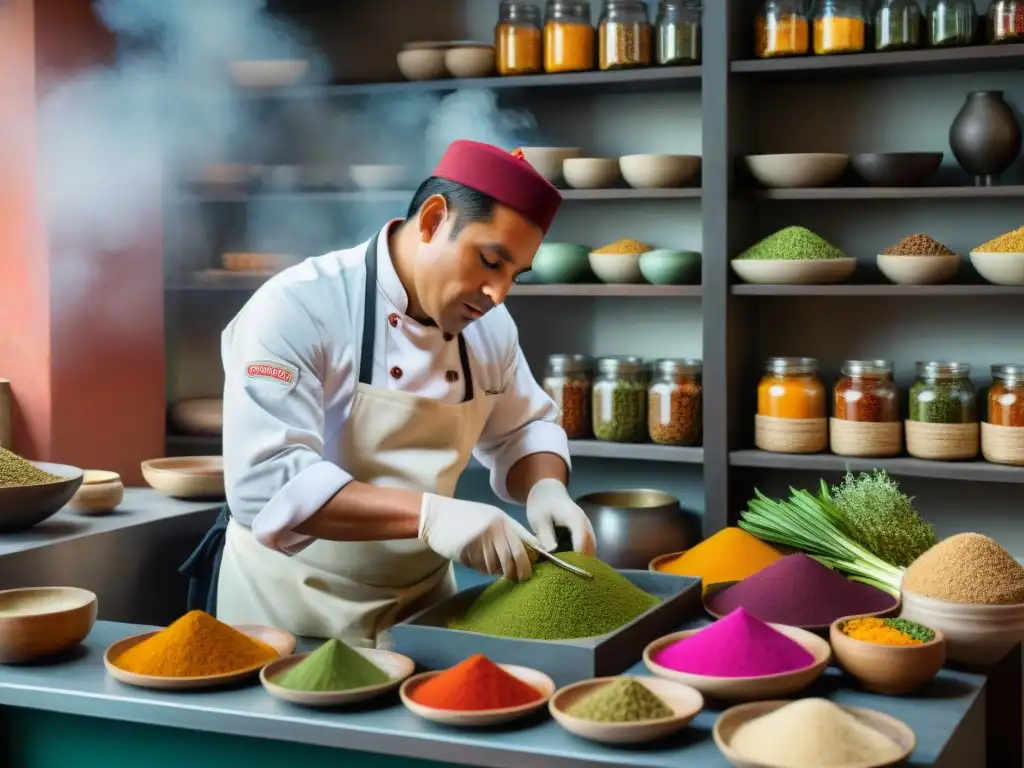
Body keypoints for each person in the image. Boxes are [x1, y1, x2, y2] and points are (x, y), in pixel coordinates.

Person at [180, 139, 597, 648]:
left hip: (421, 613)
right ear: (432, 220)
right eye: (490, 261)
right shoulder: (298, 307)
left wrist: (546, 488)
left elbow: (524, 429)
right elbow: (264, 487)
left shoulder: (491, 328)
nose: (499, 294)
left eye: (514, 275)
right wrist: (429, 515)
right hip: (288, 612)